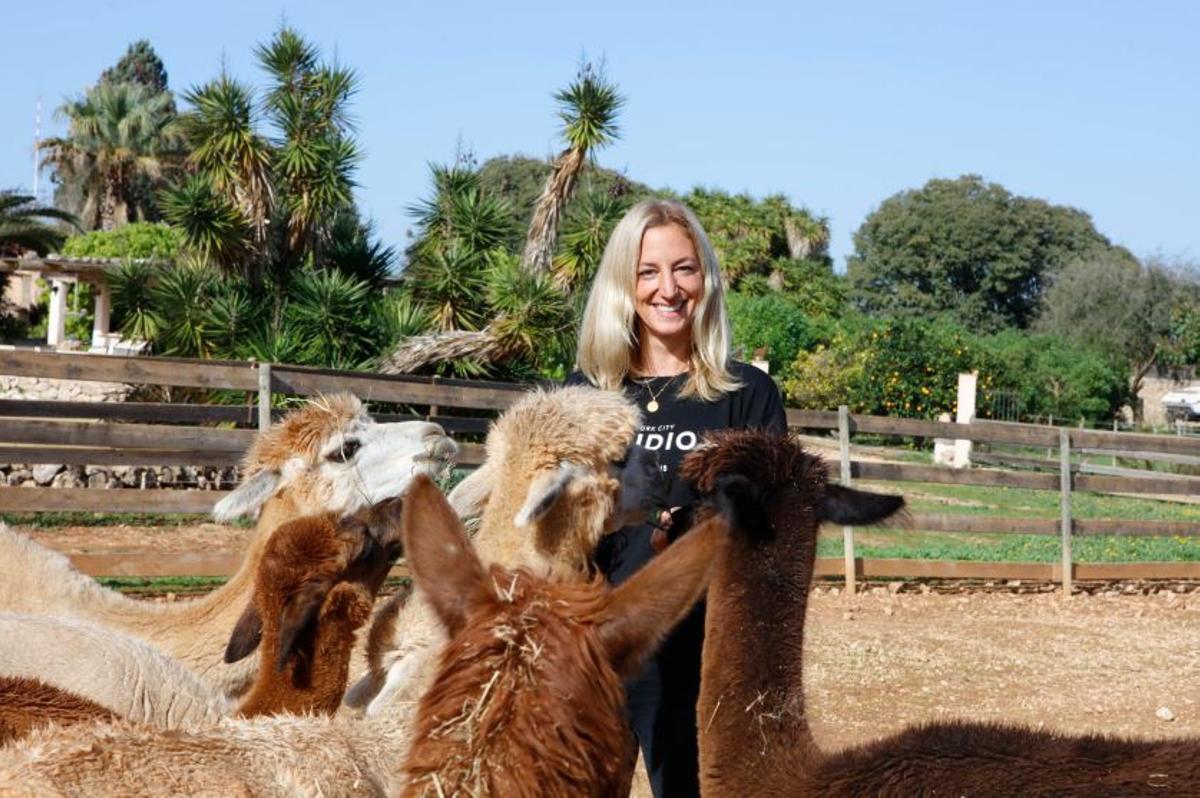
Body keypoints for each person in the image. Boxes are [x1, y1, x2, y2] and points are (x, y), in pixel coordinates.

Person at [565, 198, 786, 797]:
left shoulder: (747, 395)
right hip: (595, 646)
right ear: (622, 285)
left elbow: (767, 528)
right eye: (648, 272)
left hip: (696, 648)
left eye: (685, 269)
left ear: (706, 279)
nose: (669, 288)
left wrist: (695, 522)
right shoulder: (582, 397)